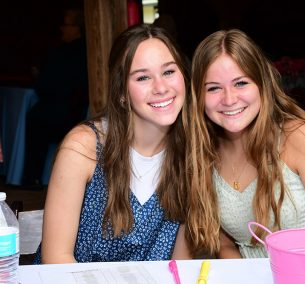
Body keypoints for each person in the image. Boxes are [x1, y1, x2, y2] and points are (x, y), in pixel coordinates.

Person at [185, 29, 305, 258]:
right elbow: (226, 245)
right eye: (213, 88)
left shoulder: (301, 139)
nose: (229, 99)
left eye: (241, 83)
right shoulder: (207, 153)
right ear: (198, 96)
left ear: (263, 84)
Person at [34, 24, 191, 263]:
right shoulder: (84, 148)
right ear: (122, 93)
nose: (161, 87)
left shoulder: (192, 152)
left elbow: (179, 266)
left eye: (169, 72)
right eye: (143, 77)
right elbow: (56, 258)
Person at [23, 7, 89, 186]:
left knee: (35, 118)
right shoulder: (79, 51)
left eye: (66, 25)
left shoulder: (67, 53)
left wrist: (38, 76)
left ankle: (32, 178)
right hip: (73, 110)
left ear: (77, 28)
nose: (62, 28)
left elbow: (46, 85)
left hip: (64, 113)